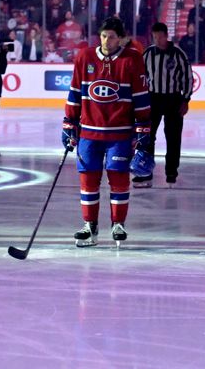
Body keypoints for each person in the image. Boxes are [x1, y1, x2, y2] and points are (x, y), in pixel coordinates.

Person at [63, 16, 152, 247]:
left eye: (112, 37)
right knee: (88, 180)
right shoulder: (85, 57)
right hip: (89, 134)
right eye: (103, 36)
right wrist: (69, 123)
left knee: (119, 179)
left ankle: (117, 224)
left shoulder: (132, 59)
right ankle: (89, 226)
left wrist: (143, 129)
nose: (106, 40)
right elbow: (74, 93)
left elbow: (141, 97)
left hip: (120, 134)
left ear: (121, 39)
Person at [134, 22, 193, 187]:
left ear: (166, 36)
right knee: (147, 136)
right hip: (153, 99)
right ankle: (145, 172)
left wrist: (185, 100)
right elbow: (140, 77)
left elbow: (187, 78)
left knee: (173, 138)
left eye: (160, 36)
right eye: (154, 37)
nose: (157, 40)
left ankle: (171, 173)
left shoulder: (178, 54)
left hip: (173, 99)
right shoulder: (147, 54)